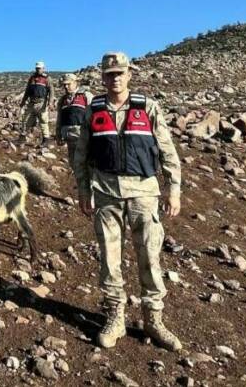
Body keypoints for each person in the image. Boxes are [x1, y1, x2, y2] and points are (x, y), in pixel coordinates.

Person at [71, 52, 184, 352]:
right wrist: (84, 190)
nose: (115, 78)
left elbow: (167, 150)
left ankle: (153, 320)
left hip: (144, 195)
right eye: (109, 74)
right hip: (106, 193)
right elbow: (80, 156)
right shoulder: (93, 110)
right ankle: (115, 317)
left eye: (120, 72)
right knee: (109, 260)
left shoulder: (147, 107)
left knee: (149, 257)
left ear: (129, 74)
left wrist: (174, 189)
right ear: (103, 77)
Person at [55, 72, 93, 177]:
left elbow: (94, 116)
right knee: (74, 164)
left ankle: (91, 191)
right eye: (64, 85)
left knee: (87, 164)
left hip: (84, 137)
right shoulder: (62, 100)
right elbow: (59, 118)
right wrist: (58, 134)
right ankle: (82, 190)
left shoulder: (86, 96)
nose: (66, 87)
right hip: (69, 138)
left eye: (68, 84)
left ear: (75, 83)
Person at [18, 60, 52, 146]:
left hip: (42, 102)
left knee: (43, 121)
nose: (38, 70)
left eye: (39, 68)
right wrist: (23, 101)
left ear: (43, 68)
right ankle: (22, 138)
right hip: (31, 102)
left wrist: (50, 102)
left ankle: (46, 139)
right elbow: (27, 91)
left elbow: (51, 91)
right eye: (37, 68)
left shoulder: (47, 78)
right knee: (25, 120)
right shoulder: (32, 78)